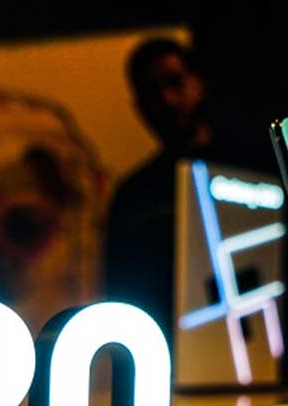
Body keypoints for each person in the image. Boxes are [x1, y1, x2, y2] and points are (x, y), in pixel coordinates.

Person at [104, 38, 217, 340]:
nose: (166, 100)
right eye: (151, 92)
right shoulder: (133, 194)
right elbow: (119, 294)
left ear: (199, 83)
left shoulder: (257, 166)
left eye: (174, 83)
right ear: (139, 107)